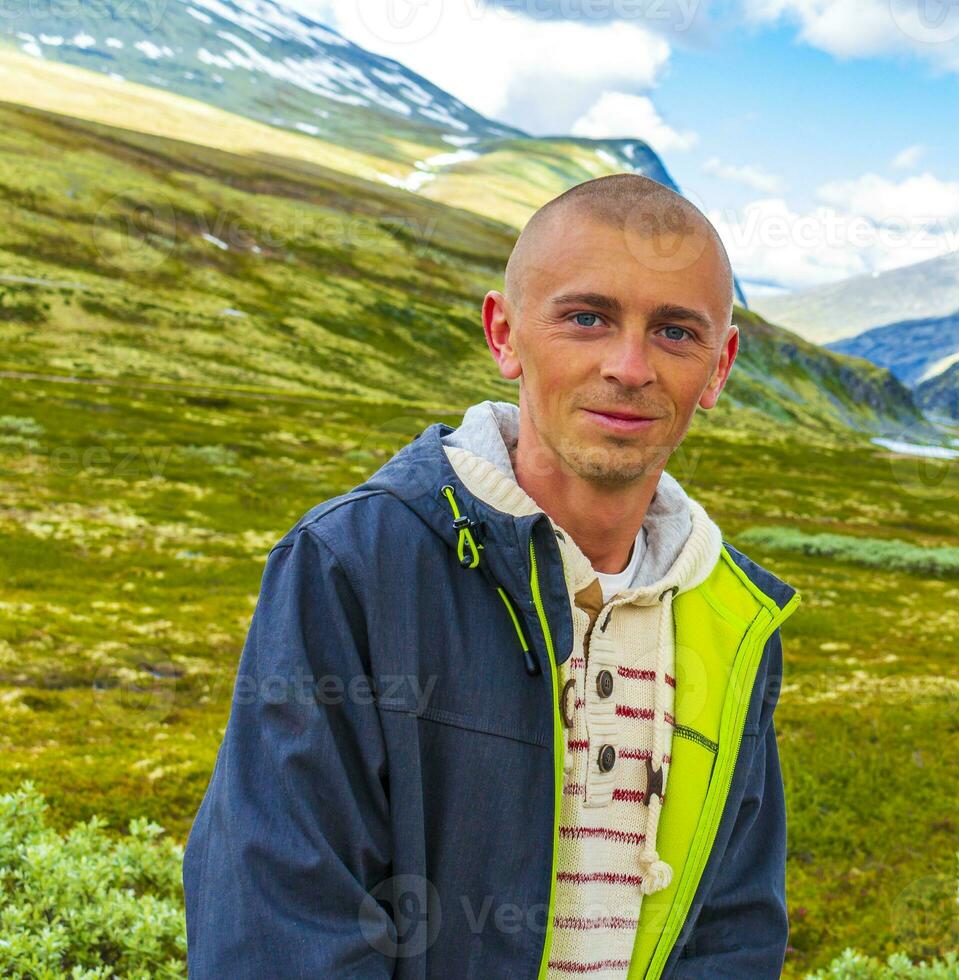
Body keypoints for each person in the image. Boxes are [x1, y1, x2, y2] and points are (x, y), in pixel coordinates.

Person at [181, 173, 802, 979]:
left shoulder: (732, 614)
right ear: (504, 335)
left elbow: (734, 931)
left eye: (675, 332)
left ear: (718, 369)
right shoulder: (354, 564)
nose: (629, 365)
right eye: (587, 318)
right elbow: (279, 925)